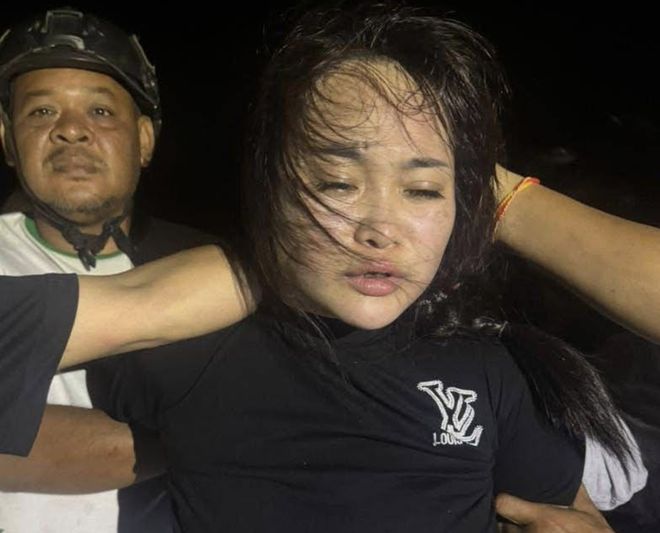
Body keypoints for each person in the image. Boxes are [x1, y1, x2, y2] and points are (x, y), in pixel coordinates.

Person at [94, 6, 626, 530]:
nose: (381, 229)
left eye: (422, 190)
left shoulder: (497, 374)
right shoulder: (177, 347)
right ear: (267, 188)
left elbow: (566, 516)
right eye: (338, 183)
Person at [0, 8, 215, 531]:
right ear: (6, 139)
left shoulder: (209, 267)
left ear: (145, 140)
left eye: (100, 111)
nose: (71, 131)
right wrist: (210, 434)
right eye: (42, 112)